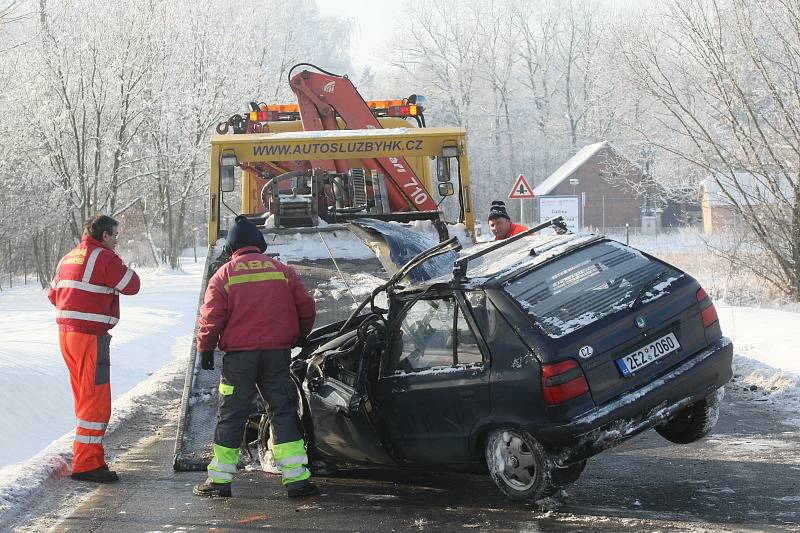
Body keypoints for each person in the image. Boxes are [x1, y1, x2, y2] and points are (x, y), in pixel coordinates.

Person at [193, 215, 317, 499]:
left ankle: (221, 482)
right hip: (277, 355)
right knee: (282, 410)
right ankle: (297, 479)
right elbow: (306, 307)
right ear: (259, 244)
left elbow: (211, 318)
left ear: (232, 247)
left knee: (232, 415)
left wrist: (206, 347)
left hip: (239, 360)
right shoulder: (283, 271)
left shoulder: (223, 275)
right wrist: (300, 336)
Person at [48, 214, 140, 483]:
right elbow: (132, 285)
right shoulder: (105, 257)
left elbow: (53, 294)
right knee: (96, 402)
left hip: (67, 336)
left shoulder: (69, 257)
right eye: (115, 236)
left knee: (84, 398)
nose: (117, 240)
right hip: (90, 338)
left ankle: (91, 459)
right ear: (104, 236)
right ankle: (87, 464)